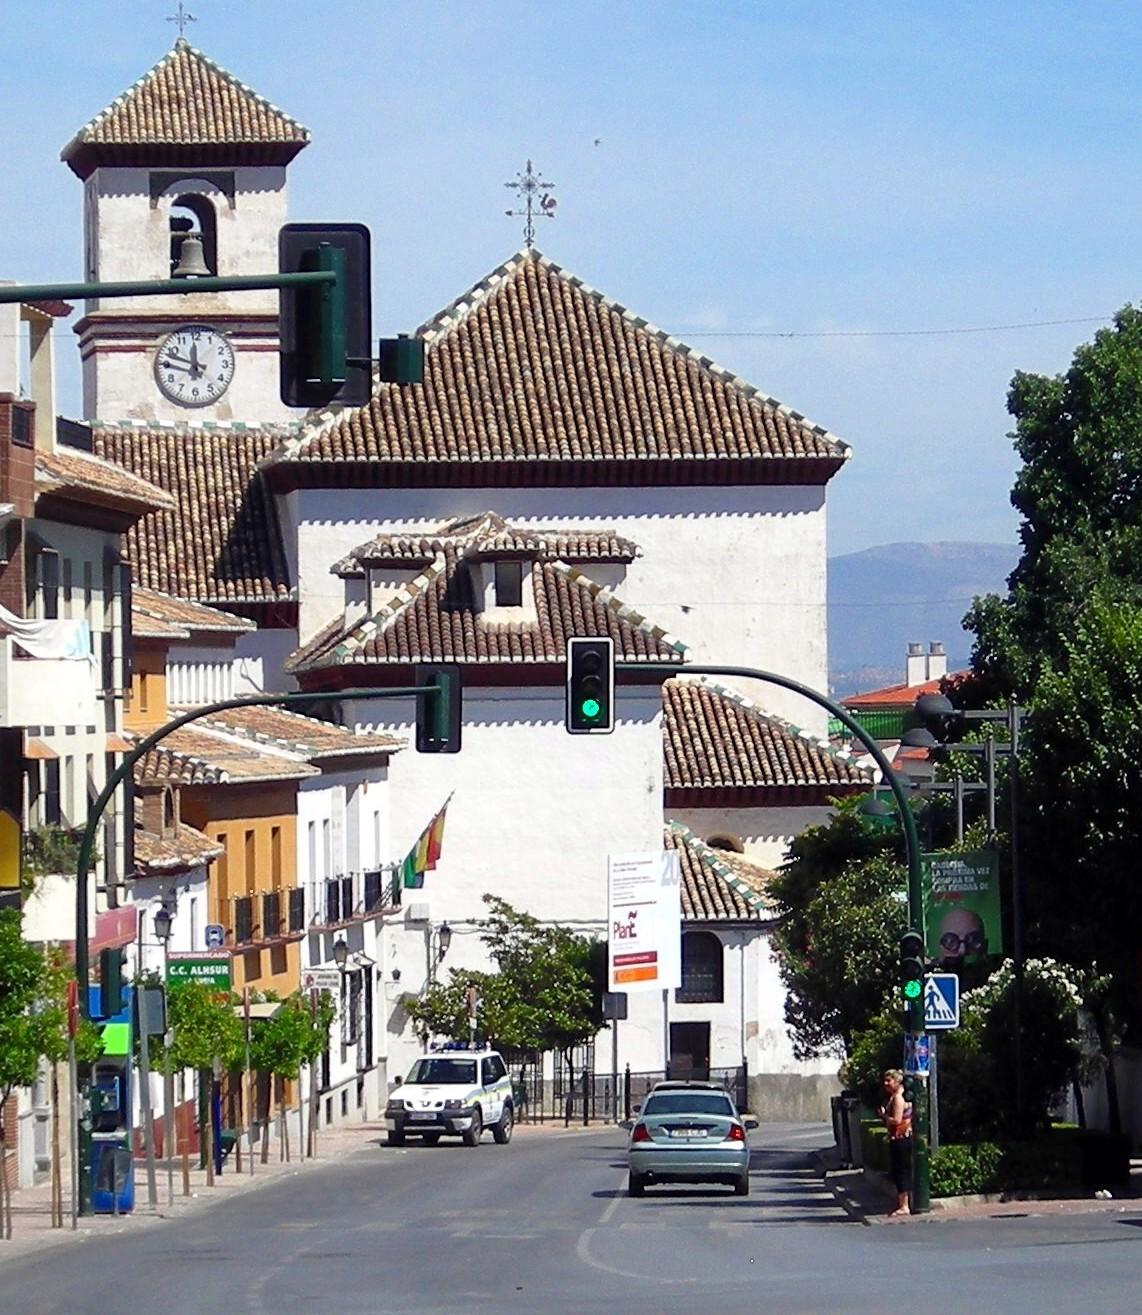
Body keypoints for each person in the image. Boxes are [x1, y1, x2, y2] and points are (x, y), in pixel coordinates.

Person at [878, 1069, 912, 1217]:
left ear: (897, 1082)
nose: (885, 1084)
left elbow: (897, 1120)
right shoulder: (899, 1096)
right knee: (900, 1171)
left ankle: (904, 1205)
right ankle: (903, 1203)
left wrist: (884, 1116)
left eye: (889, 1081)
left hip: (900, 1138)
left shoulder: (898, 1098)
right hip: (901, 1137)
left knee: (901, 1172)